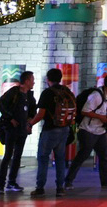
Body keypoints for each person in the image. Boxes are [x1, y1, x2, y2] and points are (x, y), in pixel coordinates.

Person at [64, 73, 107, 191]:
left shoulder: (106, 95)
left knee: (104, 157)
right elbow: (85, 111)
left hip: (100, 131)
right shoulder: (96, 95)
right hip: (88, 130)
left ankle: (106, 182)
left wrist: (105, 115)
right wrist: (101, 117)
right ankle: (68, 181)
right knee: (82, 156)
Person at [29, 68, 75, 197]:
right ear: (60, 78)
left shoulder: (47, 93)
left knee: (43, 158)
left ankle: (40, 188)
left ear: (48, 79)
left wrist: (30, 124)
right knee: (60, 159)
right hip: (65, 129)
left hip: (50, 130)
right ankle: (60, 188)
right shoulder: (67, 91)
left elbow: (41, 114)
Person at [0, 72, 36, 194]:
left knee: (17, 157)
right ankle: (1, 185)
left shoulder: (30, 95)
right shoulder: (14, 92)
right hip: (11, 129)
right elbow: (0, 104)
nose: (34, 82)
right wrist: (10, 118)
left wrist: (30, 121)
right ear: (27, 80)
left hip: (22, 130)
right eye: (32, 80)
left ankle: (11, 182)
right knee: (8, 155)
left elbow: (33, 110)